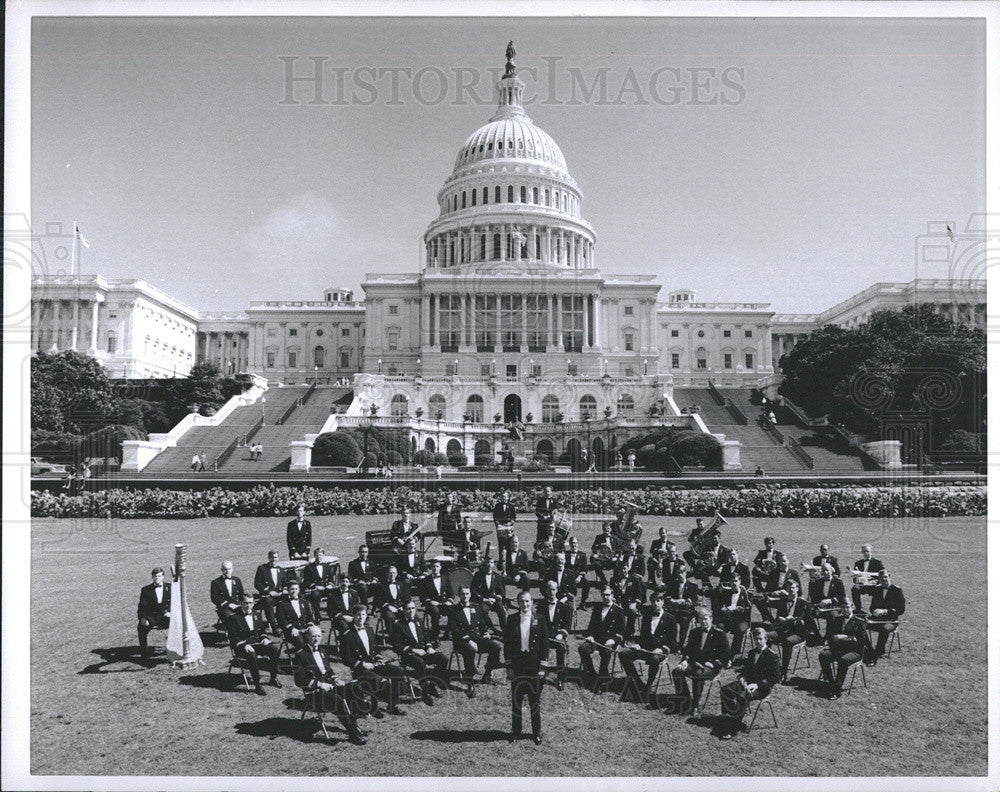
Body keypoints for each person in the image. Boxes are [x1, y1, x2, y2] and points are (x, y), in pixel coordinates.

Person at [294, 625, 368, 745]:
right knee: (337, 700)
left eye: (318, 636)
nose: (316, 639)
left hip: (330, 688)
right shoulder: (301, 655)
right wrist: (319, 684)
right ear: (307, 637)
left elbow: (328, 671)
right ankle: (352, 734)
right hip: (314, 694)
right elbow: (299, 681)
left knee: (352, 688)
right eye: (313, 636)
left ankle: (355, 723)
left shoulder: (322, 651)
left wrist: (336, 679)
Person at [340, 602, 407, 716]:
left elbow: (375, 649)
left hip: (374, 665)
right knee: (377, 679)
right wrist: (363, 664)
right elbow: (346, 659)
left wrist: (378, 657)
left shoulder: (369, 630)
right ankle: (373, 708)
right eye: (358, 615)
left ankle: (392, 705)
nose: (361, 617)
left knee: (398, 672)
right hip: (360, 669)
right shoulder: (347, 635)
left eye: (363, 614)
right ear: (353, 616)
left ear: (366, 616)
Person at [504, 590, 550, 745]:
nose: (525, 604)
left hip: (534, 665)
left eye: (528, 601)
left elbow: (545, 644)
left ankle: (536, 733)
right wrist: (509, 667)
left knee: (534, 701)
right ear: (518, 603)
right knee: (516, 701)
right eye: (522, 601)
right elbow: (507, 645)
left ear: (532, 602)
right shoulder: (511, 619)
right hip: (518, 665)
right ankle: (516, 732)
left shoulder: (541, 619)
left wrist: (543, 667)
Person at [718, 627, 781, 739]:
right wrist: (742, 677)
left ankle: (733, 728)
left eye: (761, 639)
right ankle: (729, 715)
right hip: (747, 682)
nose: (758, 642)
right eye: (756, 639)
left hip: (762, 688)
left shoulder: (772, 656)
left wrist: (757, 685)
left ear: (766, 639)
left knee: (744, 697)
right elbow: (746, 670)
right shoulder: (752, 652)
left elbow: (775, 677)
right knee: (725, 690)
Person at [618, 591, 676, 705]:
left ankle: (648, 687)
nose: (655, 603)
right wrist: (638, 644)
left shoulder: (670, 618)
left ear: (663, 602)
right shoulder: (647, 616)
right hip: (645, 649)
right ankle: (638, 683)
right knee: (623, 654)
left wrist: (662, 649)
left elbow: (673, 642)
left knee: (654, 659)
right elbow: (643, 635)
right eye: (653, 601)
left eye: (658, 601)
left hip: (659, 652)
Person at [671, 608, 729, 714]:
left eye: (706, 619)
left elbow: (725, 656)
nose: (703, 622)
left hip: (710, 668)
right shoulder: (695, 632)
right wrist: (684, 660)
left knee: (698, 674)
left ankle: (695, 705)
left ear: (711, 619)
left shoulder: (719, 634)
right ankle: (686, 700)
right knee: (677, 671)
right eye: (701, 619)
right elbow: (688, 650)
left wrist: (713, 664)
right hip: (695, 663)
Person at [449, 585, 503, 696]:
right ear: (459, 595)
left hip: (477, 638)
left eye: (467, 594)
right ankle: (469, 680)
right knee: (470, 650)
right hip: (461, 641)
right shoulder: (453, 610)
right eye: (463, 594)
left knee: (496, 647)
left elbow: (482, 624)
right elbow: (455, 630)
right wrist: (469, 640)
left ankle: (487, 673)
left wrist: (485, 632)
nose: (465, 596)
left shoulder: (477, 607)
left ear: (470, 595)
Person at [391, 598, 447, 705]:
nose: (411, 611)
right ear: (403, 610)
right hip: (409, 655)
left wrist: (429, 646)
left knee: (443, 658)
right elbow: (396, 646)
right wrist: (414, 650)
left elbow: (426, 637)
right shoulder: (398, 625)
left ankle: (432, 685)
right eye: (408, 609)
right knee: (420, 663)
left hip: (423, 652)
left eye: (413, 608)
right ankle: (425, 694)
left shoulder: (418, 621)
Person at [226, 594, 281, 695]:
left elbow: (262, 631)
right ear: (241, 603)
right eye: (246, 603)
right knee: (252, 655)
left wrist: (264, 638)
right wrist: (243, 645)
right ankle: (257, 685)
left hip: (256, 643)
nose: (248, 606)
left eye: (250, 603)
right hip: (241, 647)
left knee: (274, 650)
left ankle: (273, 678)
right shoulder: (233, 618)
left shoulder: (257, 615)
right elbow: (232, 638)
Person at [578, 585, 626, 693]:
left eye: (608, 595)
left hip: (610, 641)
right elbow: (591, 627)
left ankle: (600, 679)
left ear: (612, 595)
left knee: (605, 651)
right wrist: (590, 635)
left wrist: (613, 640)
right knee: (582, 648)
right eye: (603, 595)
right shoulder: (597, 608)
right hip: (596, 639)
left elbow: (621, 633)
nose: (605, 597)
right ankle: (592, 673)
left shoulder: (619, 611)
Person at [818, 613, 875, 699]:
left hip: (855, 651)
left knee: (843, 660)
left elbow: (863, 640)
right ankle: (831, 682)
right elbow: (831, 635)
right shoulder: (837, 620)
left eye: (847, 607)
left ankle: (837, 690)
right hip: (839, 649)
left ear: (851, 607)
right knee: (823, 655)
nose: (845, 610)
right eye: (843, 607)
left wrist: (847, 638)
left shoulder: (859, 622)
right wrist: (830, 639)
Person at [764, 577, 809, 681]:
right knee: (767, 636)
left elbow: (809, 622)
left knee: (787, 642)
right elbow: (778, 617)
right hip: (783, 630)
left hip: (797, 633)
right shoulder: (783, 601)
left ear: (797, 589)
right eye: (789, 588)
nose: (791, 590)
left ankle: (783, 671)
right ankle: (768, 665)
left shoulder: (803, 603)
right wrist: (779, 619)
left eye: (793, 588)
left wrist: (797, 621)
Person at [537, 580, 572, 691]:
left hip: (557, 636)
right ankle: (541, 674)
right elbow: (537, 622)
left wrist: (561, 634)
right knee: (539, 648)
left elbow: (567, 626)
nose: (551, 592)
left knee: (561, 648)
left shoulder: (564, 606)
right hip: (545, 636)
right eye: (549, 589)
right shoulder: (541, 605)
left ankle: (560, 677)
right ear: (546, 591)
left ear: (557, 590)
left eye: (553, 589)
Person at [866, 570, 905, 658]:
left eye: (885, 577)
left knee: (884, 629)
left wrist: (885, 611)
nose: (884, 579)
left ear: (889, 577)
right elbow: (872, 607)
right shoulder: (877, 589)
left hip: (891, 620)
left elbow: (901, 609)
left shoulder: (897, 590)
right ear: (879, 580)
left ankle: (878, 651)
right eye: (881, 578)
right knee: (861, 625)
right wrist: (874, 611)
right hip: (877, 619)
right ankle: (868, 648)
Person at [137, 567, 171, 663]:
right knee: (141, 627)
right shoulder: (146, 590)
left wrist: (171, 613)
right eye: (155, 576)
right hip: (153, 617)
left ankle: (178, 650)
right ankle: (144, 653)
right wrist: (143, 618)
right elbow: (142, 607)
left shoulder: (170, 587)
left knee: (180, 625)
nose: (157, 578)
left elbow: (176, 603)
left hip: (167, 616)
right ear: (152, 577)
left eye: (159, 576)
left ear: (163, 577)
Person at [807, 562, 848, 640]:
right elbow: (815, 598)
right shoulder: (818, 582)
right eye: (823, 570)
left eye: (827, 570)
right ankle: (816, 635)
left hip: (834, 608)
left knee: (832, 616)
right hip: (821, 608)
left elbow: (842, 597)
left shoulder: (838, 582)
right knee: (808, 614)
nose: (825, 572)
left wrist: (831, 600)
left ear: (831, 571)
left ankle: (828, 637)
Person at [276, 580, 318, 653]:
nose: (294, 591)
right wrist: (292, 629)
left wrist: (309, 625)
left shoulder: (305, 602)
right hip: (291, 630)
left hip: (305, 628)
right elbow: (281, 620)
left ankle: (313, 660)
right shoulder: (282, 604)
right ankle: (302, 661)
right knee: (301, 642)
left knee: (315, 638)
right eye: (292, 589)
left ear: (298, 590)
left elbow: (310, 616)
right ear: (288, 590)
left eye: (296, 589)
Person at [418, 558, 452, 641]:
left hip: (444, 603)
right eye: (433, 566)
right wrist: (430, 601)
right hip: (432, 604)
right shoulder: (425, 580)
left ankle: (448, 633)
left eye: (437, 566)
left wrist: (449, 601)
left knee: (453, 609)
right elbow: (422, 596)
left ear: (440, 567)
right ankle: (435, 634)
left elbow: (450, 593)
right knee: (435, 611)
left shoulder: (445, 578)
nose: (435, 568)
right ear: (430, 568)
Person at [253, 550, 288, 630]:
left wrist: (282, 591)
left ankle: (287, 624)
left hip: (279, 594)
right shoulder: (262, 568)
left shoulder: (281, 569)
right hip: (268, 595)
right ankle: (274, 627)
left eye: (275, 557)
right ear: (268, 558)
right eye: (272, 557)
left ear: (278, 558)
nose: (273, 559)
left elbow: (285, 583)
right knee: (267, 602)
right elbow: (257, 584)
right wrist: (269, 592)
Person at [471, 556, 508, 630]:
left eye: (491, 562)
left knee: (501, 610)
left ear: (493, 564)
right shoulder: (478, 575)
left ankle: (505, 631)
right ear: (484, 563)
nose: (489, 564)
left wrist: (495, 598)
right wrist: (484, 599)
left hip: (494, 600)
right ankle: (491, 628)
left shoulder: (497, 576)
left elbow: (501, 591)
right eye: (487, 562)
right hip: (483, 600)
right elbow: (473, 590)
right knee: (482, 611)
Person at [301, 547, 338, 617]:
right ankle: (318, 615)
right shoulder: (309, 567)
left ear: (323, 556)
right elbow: (307, 581)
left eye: (320, 555)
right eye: (317, 555)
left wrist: (330, 585)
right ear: (314, 556)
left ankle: (332, 614)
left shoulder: (327, 566)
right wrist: (315, 586)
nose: (319, 557)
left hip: (326, 588)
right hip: (316, 588)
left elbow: (330, 579)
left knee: (334, 593)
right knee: (315, 595)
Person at [850, 544, 886, 612]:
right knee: (855, 588)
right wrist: (856, 579)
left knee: (878, 590)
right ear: (862, 552)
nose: (866, 553)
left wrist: (876, 581)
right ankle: (858, 609)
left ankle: (874, 609)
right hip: (862, 585)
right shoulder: (858, 563)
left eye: (867, 551)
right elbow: (854, 576)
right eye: (864, 552)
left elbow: (883, 574)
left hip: (873, 585)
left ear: (871, 552)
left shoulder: (877, 563)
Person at [210, 560, 245, 626]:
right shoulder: (216, 582)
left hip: (237, 606)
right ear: (221, 570)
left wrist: (241, 605)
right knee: (233, 618)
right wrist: (228, 605)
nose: (227, 571)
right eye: (225, 569)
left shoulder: (237, 580)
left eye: (229, 569)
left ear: (232, 569)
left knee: (247, 616)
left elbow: (241, 594)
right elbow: (214, 598)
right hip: (224, 608)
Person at [492, 490, 517, 560]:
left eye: (506, 497)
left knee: (509, 543)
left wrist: (510, 523)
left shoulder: (511, 506)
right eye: (503, 497)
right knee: (501, 544)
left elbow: (514, 517)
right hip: (500, 527)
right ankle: (501, 560)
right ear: (500, 497)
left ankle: (509, 560)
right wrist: (498, 524)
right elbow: (495, 517)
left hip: (509, 527)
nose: (504, 498)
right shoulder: (497, 506)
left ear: (508, 497)